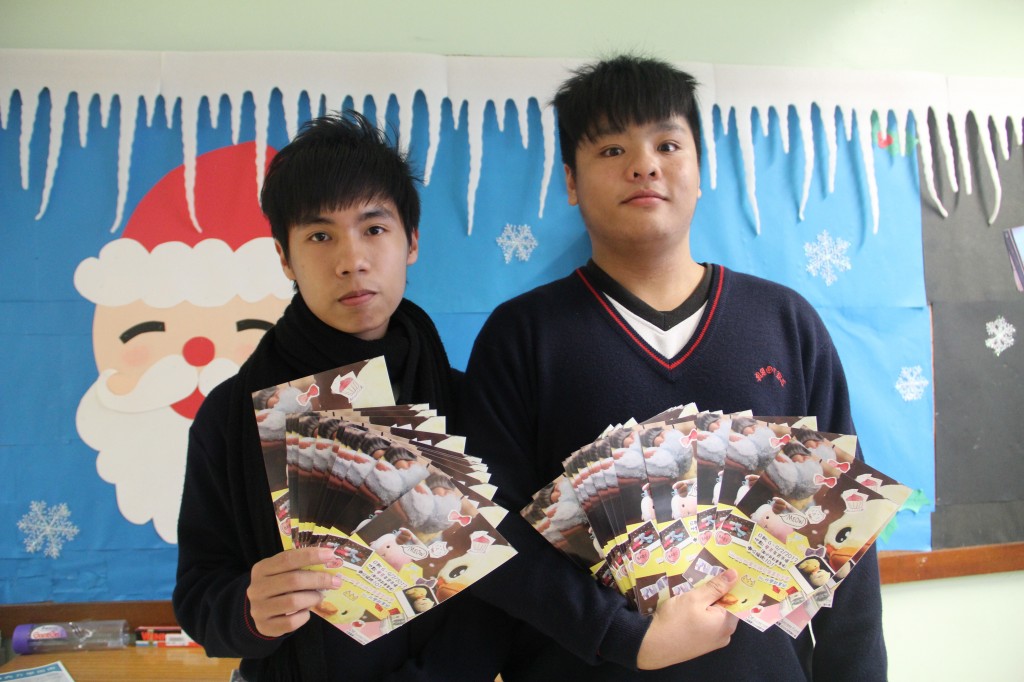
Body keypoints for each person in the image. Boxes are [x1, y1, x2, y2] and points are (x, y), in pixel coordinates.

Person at [460, 54, 887, 680]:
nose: (644, 165)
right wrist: (623, 635)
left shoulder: (785, 321)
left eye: (667, 144)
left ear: (699, 168)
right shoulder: (521, 336)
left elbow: (846, 530)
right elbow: (491, 534)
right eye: (611, 150)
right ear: (571, 182)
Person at [173, 112, 512, 681]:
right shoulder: (232, 415)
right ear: (285, 257)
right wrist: (249, 610)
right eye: (320, 235)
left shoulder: (466, 401)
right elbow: (199, 596)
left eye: (374, 229)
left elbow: (499, 591)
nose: (351, 260)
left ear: (411, 241)